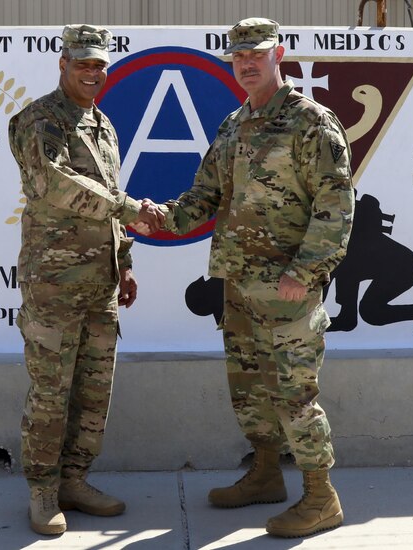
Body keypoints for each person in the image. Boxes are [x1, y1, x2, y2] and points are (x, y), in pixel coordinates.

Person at [143, 17, 354, 538]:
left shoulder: (311, 122)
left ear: (277, 54)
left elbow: (336, 204)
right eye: (238, 56)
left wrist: (305, 272)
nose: (246, 63)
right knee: (250, 389)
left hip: (288, 291)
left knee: (293, 393)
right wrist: (159, 217)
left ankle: (321, 496)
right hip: (238, 285)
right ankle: (264, 474)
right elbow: (206, 196)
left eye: (256, 54)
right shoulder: (234, 125)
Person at [8, 24, 164, 536]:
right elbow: (52, 183)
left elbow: (109, 199)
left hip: (101, 282)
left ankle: (74, 480)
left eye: (99, 65)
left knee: (94, 393)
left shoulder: (103, 125)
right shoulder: (37, 120)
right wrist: (125, 208)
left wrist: (126, 261)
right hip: (53, 284)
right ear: (62, 64)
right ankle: (42, 492)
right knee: (51, 392)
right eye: (83, 64)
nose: (93, 73)